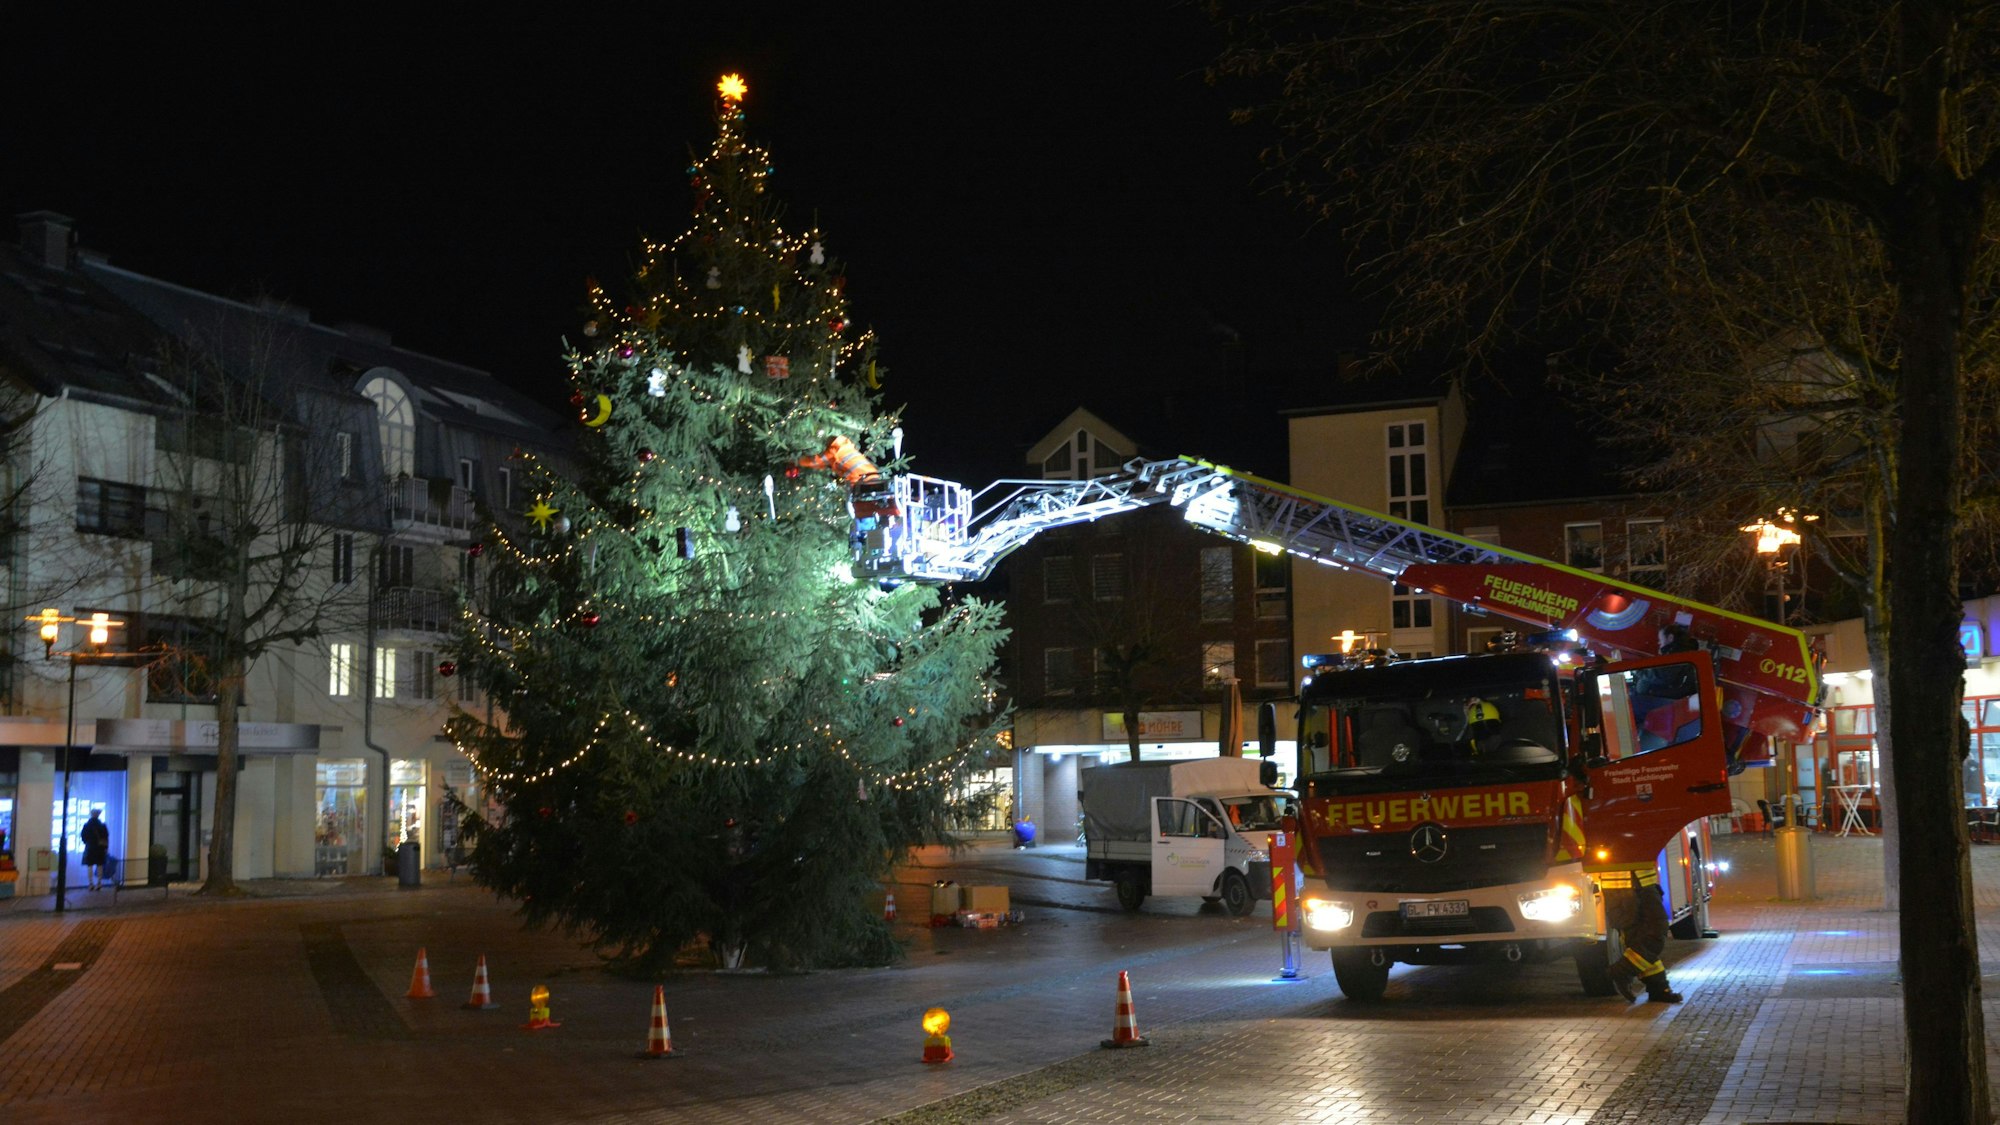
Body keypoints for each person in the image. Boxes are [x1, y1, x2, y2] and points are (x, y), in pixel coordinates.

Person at [1604, 866, 1684, 1003]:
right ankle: (1622, 971)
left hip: (1639, 883)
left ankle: (1657, 988)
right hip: (1623, 886)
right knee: (1654, 934)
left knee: (1640, 940)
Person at [80, 809, 110, 891]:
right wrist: (106, 848)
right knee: (100, 865)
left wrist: (87, 842)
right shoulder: (102, 825)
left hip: (90, 847)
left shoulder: (87, 825)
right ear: (98, 815)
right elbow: (106, 837)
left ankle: (91, 883)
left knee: (89, 865)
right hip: (100, 848)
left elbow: (83, 836)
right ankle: (99, 883)